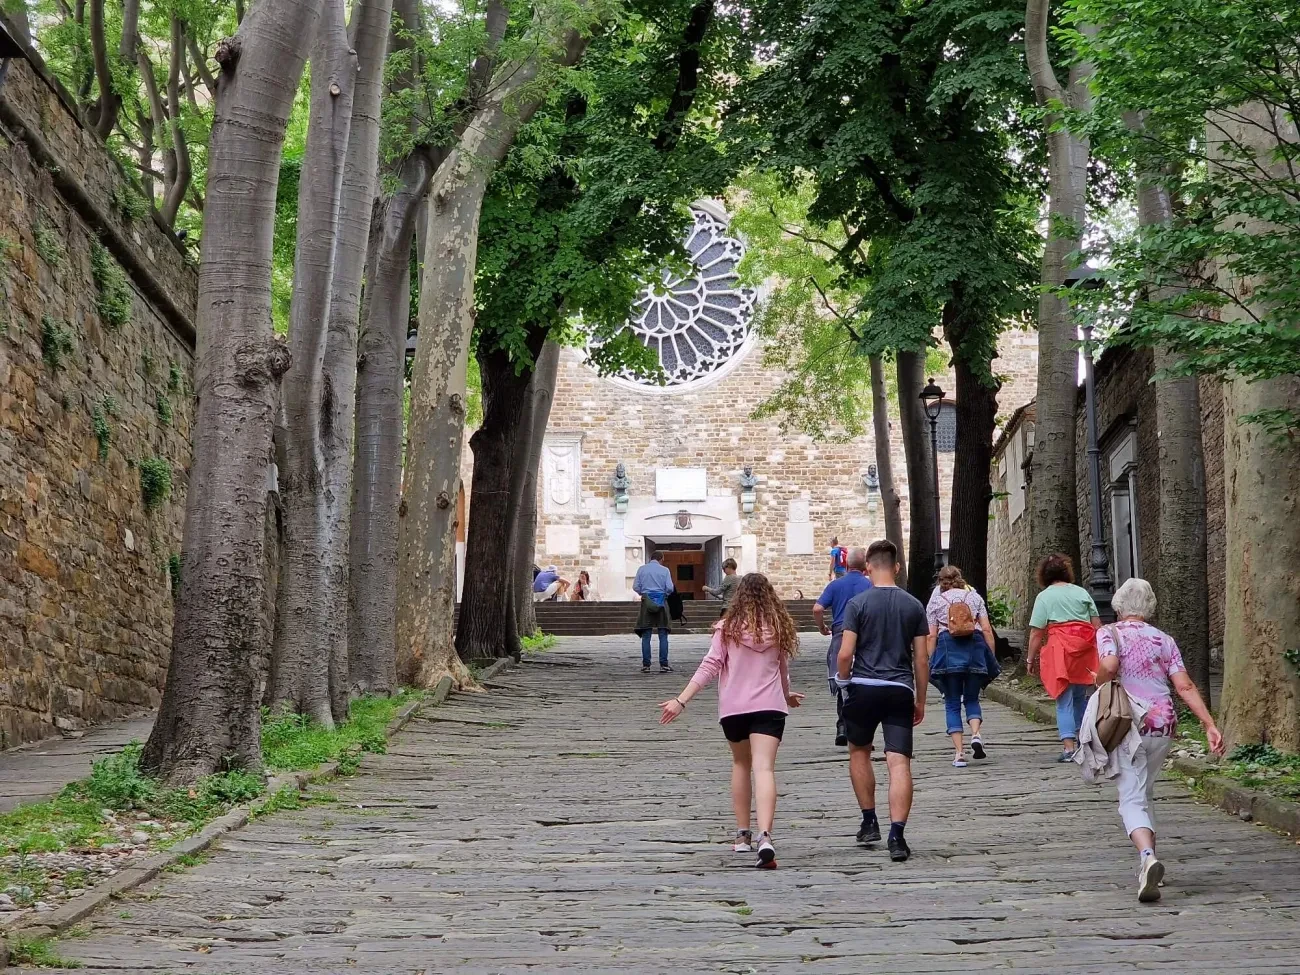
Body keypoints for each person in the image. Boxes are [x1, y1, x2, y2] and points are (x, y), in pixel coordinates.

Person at [658, 573, 805, 868]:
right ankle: (765, 836)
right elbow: (782, 670)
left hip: (734, 708)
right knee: (764, 768)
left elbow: (709, 666)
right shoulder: (778, 628)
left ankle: (742, 835)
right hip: (770, 706)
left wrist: (681, 700)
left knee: (740, 764)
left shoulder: (727, 629)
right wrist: (786, 695)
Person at [1094, 578, 1224, 902]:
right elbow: (1184, 686)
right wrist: (1209, 723)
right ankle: (1150, 867)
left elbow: (1109, 665)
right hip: (1163, 723)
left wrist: (1098, 681)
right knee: (1145, 790)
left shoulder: (1109, 633)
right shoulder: (1164, 640)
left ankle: (1147, 857)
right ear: (1149, 606)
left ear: (1119, 605)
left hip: (1127, 722)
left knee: (1130, 797)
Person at [835, 539, 929, 862]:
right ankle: (897, 836)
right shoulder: (913, 606)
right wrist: (920, 698)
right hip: (899, 688)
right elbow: (921, 660)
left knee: (859, 751)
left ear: (868, 568)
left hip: (863, 687)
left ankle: (869, 820)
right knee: (899, 762)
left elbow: (845, 653)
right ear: (897, 567)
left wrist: (843, 681)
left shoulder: (857, 604)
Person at [1026, 554, 1101, 761]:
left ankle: (1069, 748)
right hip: (1084, 651)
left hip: (1060, 651)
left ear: (1044, 575)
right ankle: (1084, 742)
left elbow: (1036, 633)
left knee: (1063, 700)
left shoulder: (1044, 597)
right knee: (1080, 697)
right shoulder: (1082, 592)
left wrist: (1030, 659)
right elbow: (1097, 626)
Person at [926, 565, 998, 767]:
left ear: (941, 582)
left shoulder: (936, 601)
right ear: (960, 578)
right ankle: (976, 734)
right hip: (974, 649)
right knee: (972, 698)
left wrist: (932, 659)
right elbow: (986, 629)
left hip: (948, 651)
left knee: (951, 703)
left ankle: (959, 754)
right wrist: (990, 655)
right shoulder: (975, 597)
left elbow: (931, 635)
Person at [813, 547, 873, 746]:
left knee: (843, 682)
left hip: (840, 634)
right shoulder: (870, 585)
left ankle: (842, 726)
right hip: (865, 637)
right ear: (865, 566)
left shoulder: (835, 585)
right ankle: (860, 729)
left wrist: (822, 627)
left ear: (846, 565)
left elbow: (817, 608)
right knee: (864, 683)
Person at [633, 552, 674, 674]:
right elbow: (670, 588)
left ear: (651, 558)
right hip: (661, 602)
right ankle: (664, 664)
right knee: (663, 634)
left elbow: (635, 586)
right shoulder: (665, 570)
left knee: (646, 635)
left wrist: (643, 593)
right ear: (661, 559)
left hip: (647, 602)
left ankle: (646, 665)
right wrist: (664, 594)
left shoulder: (641, 569)